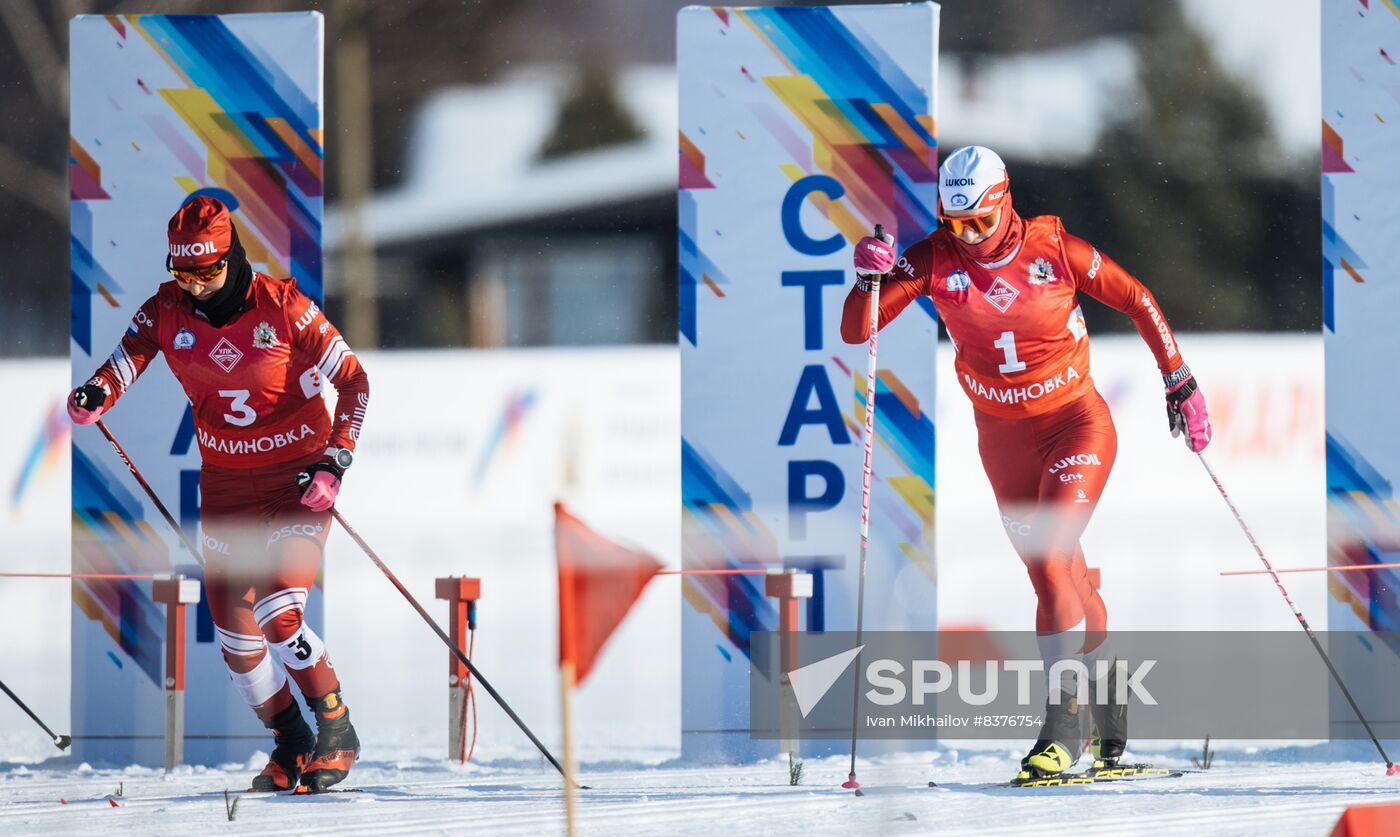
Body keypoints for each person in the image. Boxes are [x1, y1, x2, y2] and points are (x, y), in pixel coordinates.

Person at [841, 146, 1210, 781]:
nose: (971, 238)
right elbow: (857, 329)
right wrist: (868, 278)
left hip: (1076, 426)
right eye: (956, 225)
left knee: (1048, 552)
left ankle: (1063, 725)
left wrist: (1177, 375)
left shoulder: (1053, 250)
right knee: (1059, 576)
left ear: (1004, 203)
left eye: (980, 223)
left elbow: (1138, 298)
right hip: (1002, 440)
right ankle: (1110, 714)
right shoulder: (934, 258)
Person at [68, 196, 369, 792]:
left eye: (208, 272)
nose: (197, 287)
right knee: (234, 632)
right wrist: (96, 392)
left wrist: (337, 458)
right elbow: (128, 355)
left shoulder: (283, 308)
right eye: (184, 273)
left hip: (297, 482)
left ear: (231, 258)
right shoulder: (167, 308)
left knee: (280, 613)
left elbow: (355, 381)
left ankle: (336, 729)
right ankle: (291, 741)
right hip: (228, 487)